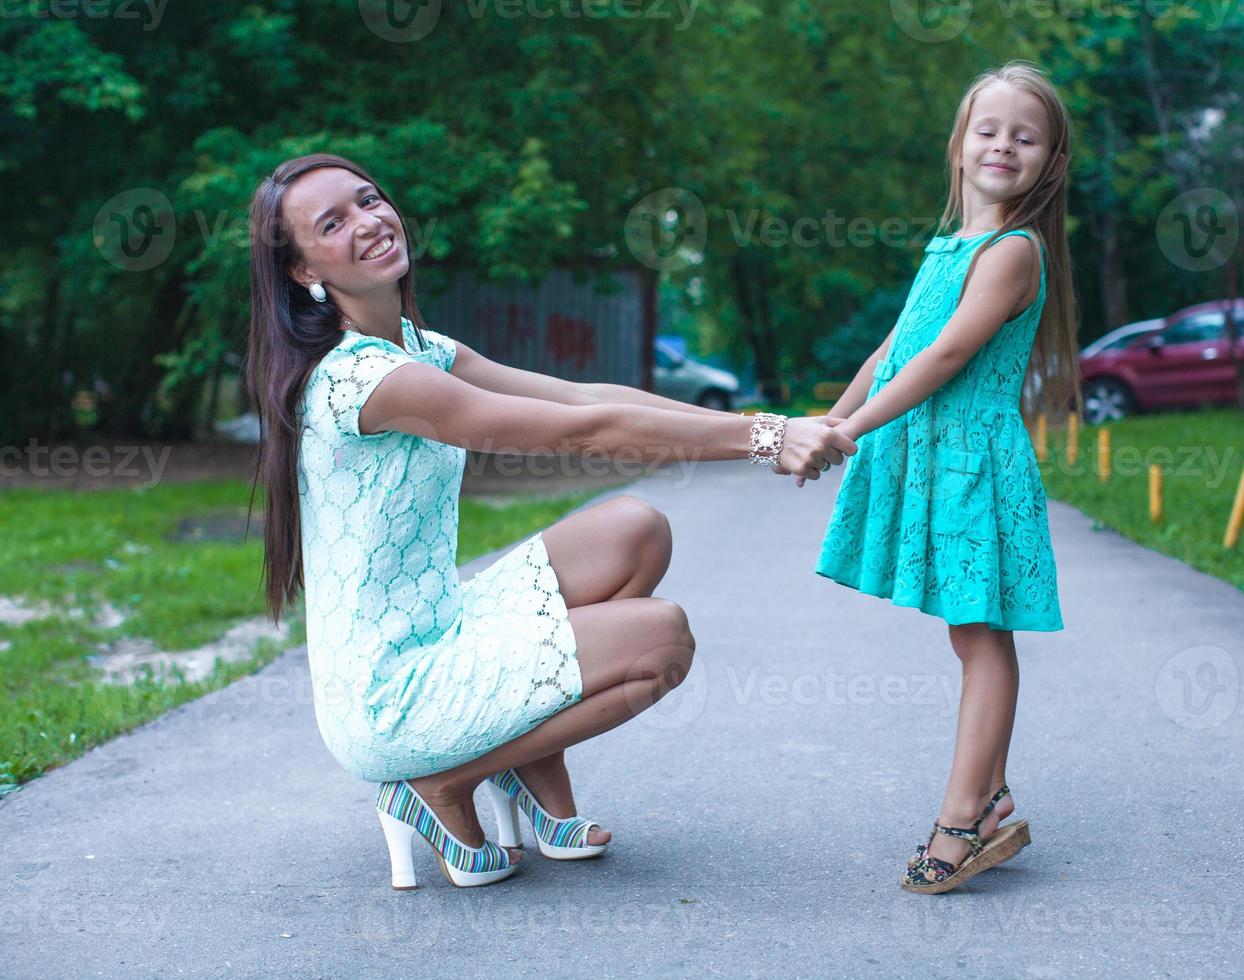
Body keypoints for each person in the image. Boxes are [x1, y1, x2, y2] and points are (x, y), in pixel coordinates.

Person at [244, 153, 857, 890]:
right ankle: (441, 784)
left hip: (443, 627)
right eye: (333, 223)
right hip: (392, 693)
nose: (370, 222)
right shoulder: (366, 380)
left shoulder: (419, 347)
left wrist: (771, 423)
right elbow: (580, 435)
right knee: (659, 638)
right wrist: (764, 443)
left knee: (634, 529)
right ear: (304, 271)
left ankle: (533, 786)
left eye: (370, 200)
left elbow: (575, 396)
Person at [808, 61, 1081, 894]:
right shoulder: (949, 245)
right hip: (938, 464)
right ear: (959, 145)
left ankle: (964, 816)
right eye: (988, 129)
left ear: (1049, 161)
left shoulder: (1013, 251)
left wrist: (857, 427)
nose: (1004, 145)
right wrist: (828, 423)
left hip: (975, 469)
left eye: (1025, 136)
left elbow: (950, 353)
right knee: (973, 633)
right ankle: (988, 794)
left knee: (981, 636)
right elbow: (892, 350)